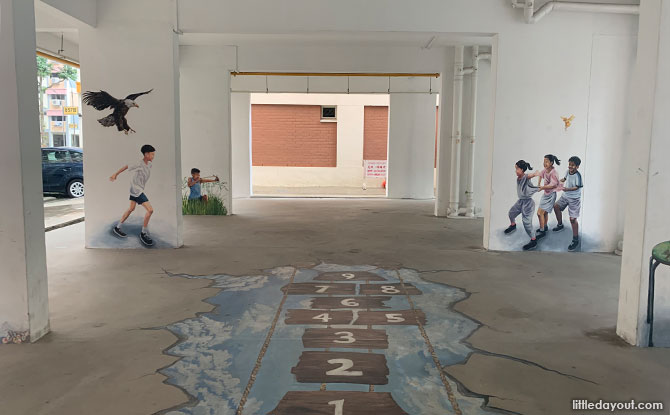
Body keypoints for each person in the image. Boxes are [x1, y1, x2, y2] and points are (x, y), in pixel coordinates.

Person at [110, 144, 156, 246]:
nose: (153, 156)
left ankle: (117, 227)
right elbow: (126, 166)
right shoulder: (139, 163)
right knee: (150, 210)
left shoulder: (149, 164)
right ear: (146, 154)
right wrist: (115, 174)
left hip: (135, 189)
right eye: (152, 154)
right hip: (136, 190)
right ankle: (143, 233)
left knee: (131, 209)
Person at [504, 160, 540, 251]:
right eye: (515, 168)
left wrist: (535, 174)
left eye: (517, 169)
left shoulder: (525, 177)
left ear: (522, 170)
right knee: (511, 213)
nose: (516, 170)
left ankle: (533, 240)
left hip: (528, 203)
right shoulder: (518, 178)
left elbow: (529, 175)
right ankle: (513, 225)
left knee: (527, 223)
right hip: (520, 202)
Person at [553, 156, 583, 251]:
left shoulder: (578, 176)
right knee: (556, 206)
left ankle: (575, 239)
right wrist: (558, 182)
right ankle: (560, 225)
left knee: (573, 219)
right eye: (569, 164)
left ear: (577, 167)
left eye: (572, 165)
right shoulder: (567, 172)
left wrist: (566, 189)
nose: (570, 166)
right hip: (565, 196)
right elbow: (564, 179)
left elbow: (577, 187)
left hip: (574, 198)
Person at [532, 154, 561, 240]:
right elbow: (541, 175)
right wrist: (538, 184)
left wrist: (542, 187)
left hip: (551, 195)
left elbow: (553, 185)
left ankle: (542, 231)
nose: (544, 163)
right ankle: (544, 226)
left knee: (539, 213)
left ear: (551, 163)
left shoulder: (554, 173)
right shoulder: (545, 170)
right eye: (544, 162)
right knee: (544, 213)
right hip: (546, 194)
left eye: (546, 162)